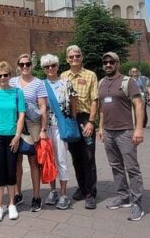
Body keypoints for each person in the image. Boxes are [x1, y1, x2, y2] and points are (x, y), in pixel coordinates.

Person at [98, 52, 145, 221]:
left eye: (111, 62)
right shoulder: (102, 82)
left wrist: (138, 129)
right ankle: (123, 196)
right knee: (116, 165)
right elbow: (102, 108)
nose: (108, 64)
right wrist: (101, 127)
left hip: (125, 131)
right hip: (109, 131)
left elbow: (139, 105)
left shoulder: (128, 81)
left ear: (117, 63)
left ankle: (137, 203)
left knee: (132, 168)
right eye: (105, 62)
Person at [0, 61, 26, 221]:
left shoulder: (17, 92)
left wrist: (17, 135)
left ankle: (12, 204)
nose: (2, 78)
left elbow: (21, 115)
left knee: (11, 170)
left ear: (10, 76)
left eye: (5, 75)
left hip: (12, 136)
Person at [60, 45, 99, 210]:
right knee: (76, 157)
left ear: (81, 57)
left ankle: (90, 193)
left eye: (77, 56)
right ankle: (82, 187)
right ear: (67, 59)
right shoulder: (63, 76)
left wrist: (91, 121)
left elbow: (95, 100)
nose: (74, 59)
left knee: (89, 156)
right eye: (71, 57)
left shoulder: (90, 75)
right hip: (70, 120)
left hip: (85, 119)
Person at [9, 53, 48, 212]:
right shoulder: (12, 81)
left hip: (32, 125)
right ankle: (18, 194)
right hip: (16, 124)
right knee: (16, 161)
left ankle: (37, 196)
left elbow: (43, 107)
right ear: (18, 67)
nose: (25, 67)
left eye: (27, 64)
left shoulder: (38, 83)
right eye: (22, 64)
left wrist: (43, 129)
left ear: (32, 65)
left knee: (33, 161)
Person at [41, 54, 77, 210]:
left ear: (57, 66)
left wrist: (72, 121)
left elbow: (74, 103)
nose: (50, 69)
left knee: (61, 159)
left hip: (60, 126)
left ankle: (63, 194)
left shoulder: (66, 83)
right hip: (45, 127)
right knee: (50, 160)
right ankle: (53, 191)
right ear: (43, 69)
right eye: (47, 66)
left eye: (53, 65)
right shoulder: (41, 85)